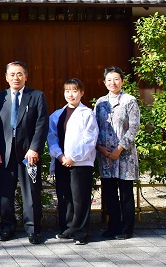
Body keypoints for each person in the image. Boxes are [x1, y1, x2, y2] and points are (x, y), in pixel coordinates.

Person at [0, 60, 49, 245]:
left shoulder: (37, 96)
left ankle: (33, 229)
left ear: (26, 76)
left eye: (19, 74)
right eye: (12, 74)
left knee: (31, 192)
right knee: (5, 193)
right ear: (6, 77)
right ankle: (7, 227)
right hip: (6, 153)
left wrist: (34, 148)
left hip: (28, 154)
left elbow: (41, 124)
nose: (16, 77)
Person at [48, 78, 98, 246]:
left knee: (80, 198)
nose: (71, 94)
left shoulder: (87, 114)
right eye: (67, 91)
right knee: (65, 197)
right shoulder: (57, 115)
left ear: (82, 93)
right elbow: (52, 137)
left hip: (81, 163)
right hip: (62, 161)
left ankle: (81, 232)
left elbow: (90, 140)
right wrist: (60, 156)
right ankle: (68, 228)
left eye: (75, 90)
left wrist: (73, 157)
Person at [95, 66, 140, 240]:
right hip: (105, 155)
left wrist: (119, 149)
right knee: (110, 193)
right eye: (109, 80)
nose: (113, 83)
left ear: (122, 81)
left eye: (116, 79)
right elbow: (95, 128)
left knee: (126, 193)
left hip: (125, 155)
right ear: (104, 82)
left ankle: (127, 229)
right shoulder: (100, 103)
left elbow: (133, 128)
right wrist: (100, 148)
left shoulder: (130, 100)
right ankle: (113, 226)